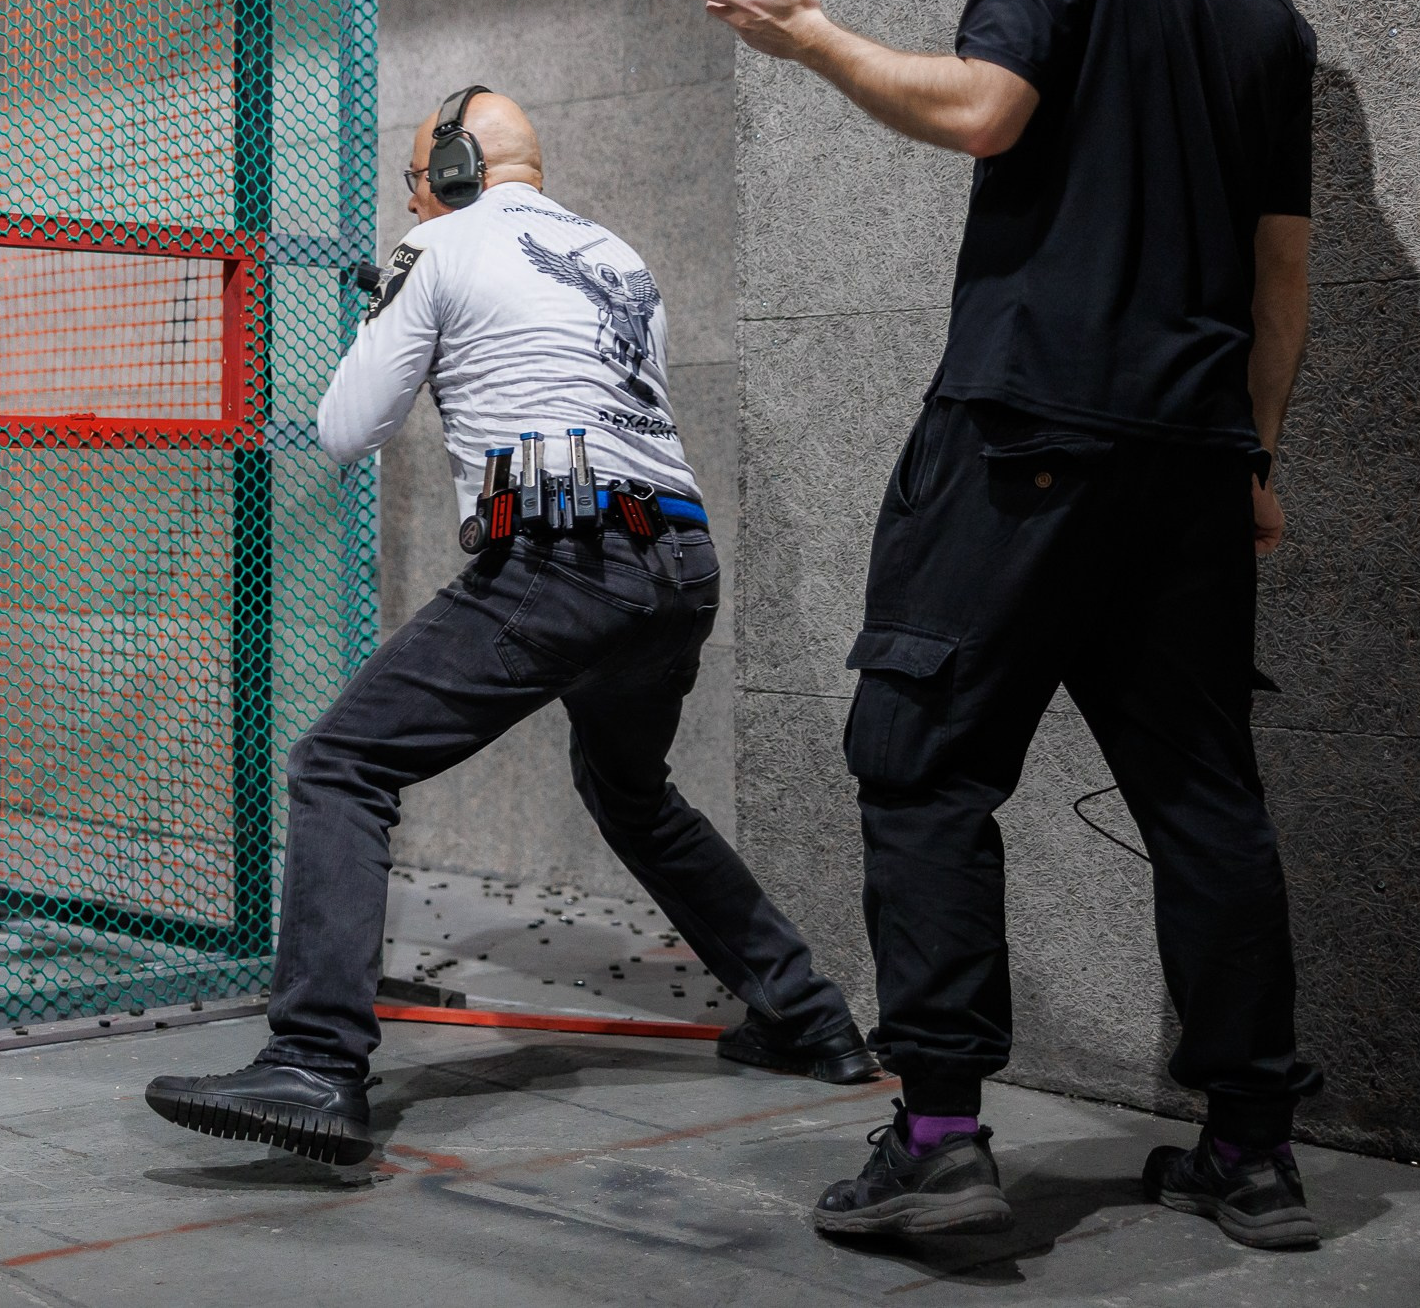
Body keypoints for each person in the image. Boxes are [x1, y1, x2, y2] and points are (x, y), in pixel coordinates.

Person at [686, 0, 1322, 1249]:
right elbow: (1284, 269)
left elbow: (986, 109)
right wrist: (1253, 451)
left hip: (1031, 427)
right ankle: (1251, 1147)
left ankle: (941, 1137)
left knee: (921, 756)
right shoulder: (1269, 6)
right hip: (1191, 456)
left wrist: (812, 35)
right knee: (1203, 792)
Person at [145, 87, 877, 1165]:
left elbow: (345, 427)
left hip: (562, 559)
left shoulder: (439, 245)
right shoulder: (620, 254)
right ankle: (808, 1017)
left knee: (340, 764)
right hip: (677, 567)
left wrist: (389, 306)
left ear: (452, 169)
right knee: (630, 793)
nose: (413, 199)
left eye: (416, 179)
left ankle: (314, 1063)